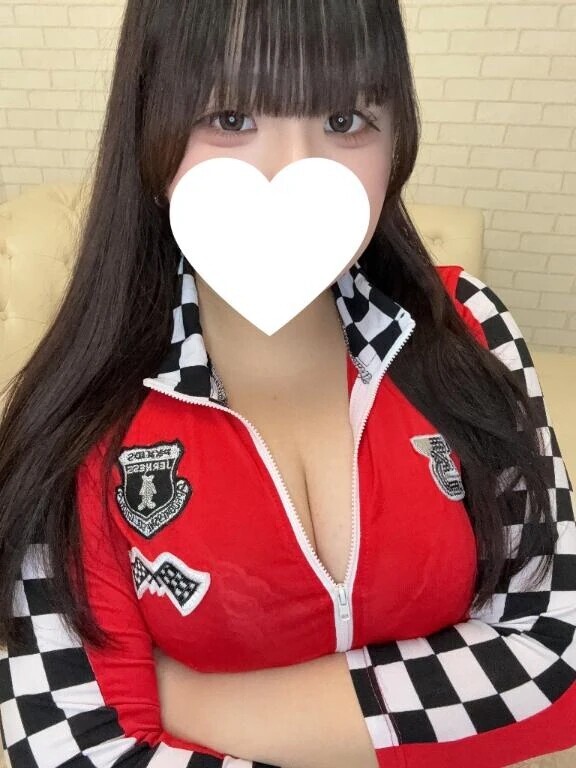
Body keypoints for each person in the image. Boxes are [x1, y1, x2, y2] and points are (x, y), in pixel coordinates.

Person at [0, 1, 575, 767]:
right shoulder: (75, 424)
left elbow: (557, 656)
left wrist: (188, 701)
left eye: (344, 119)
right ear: (149, 135)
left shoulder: (471, 326)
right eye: (231, 117)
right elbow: (68, 746)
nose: (296, 172)